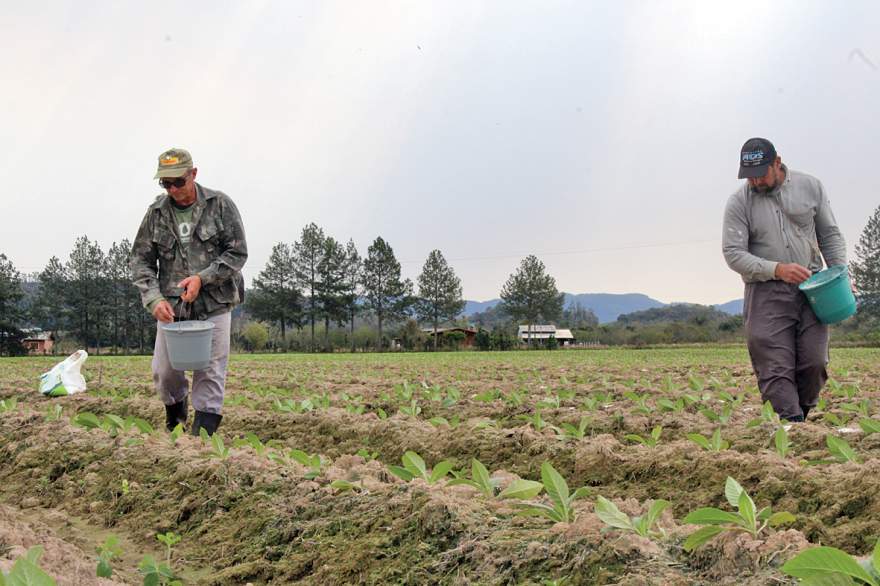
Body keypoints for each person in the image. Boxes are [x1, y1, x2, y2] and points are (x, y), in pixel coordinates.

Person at [722, 138, 847, 422]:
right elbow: (733, 253)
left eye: (760, 174)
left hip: (813, 287)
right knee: (774, 367)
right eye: (748, 176)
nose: (754, 181)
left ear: (777, 162)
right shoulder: (739, 202)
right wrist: (776, 269)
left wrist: (839, 272)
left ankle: (798, 416)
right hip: (765, 290)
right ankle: (789, 424)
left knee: (814, 363)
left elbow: (830, 234)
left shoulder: (810, 187)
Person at [131, 148, 247, 436]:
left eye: (178, 182)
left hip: (215, 303)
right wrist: (153, 298)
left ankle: (202, 436)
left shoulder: (220, 205)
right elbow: (140, 261)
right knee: (164, 371)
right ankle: (176, 412)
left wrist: (202, 278)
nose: (173, 189)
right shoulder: (156, 213)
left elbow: (237, 253)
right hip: (172, 306)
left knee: (210, 369)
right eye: (165, 184)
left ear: (193, 174)